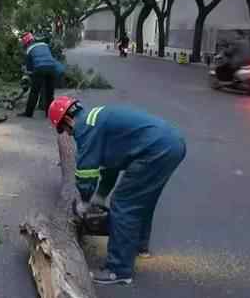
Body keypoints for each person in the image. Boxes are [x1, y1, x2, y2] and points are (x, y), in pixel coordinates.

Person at [48, 96, 186, 285]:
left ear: (67, 119)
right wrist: (100, 197)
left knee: (123, 204)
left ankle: (118, 270)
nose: (69, 135)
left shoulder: (84, 128)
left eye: (65, 130)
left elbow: (86, 172)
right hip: (171, 143)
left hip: (155, 150)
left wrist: (84, 201)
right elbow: (111, 166)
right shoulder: (95, 119)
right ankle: (139, 246)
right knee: (144, 199)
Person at [19, 32, 59, 118]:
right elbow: (49, 56)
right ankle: (50, 113)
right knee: (50, 93)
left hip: (40, 68)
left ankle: (28, 113)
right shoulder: (44, 44)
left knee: (34, 92)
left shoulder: (29, 50)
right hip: (52, 68)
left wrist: (27, 75)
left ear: (26, 43)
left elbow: (30, 70)